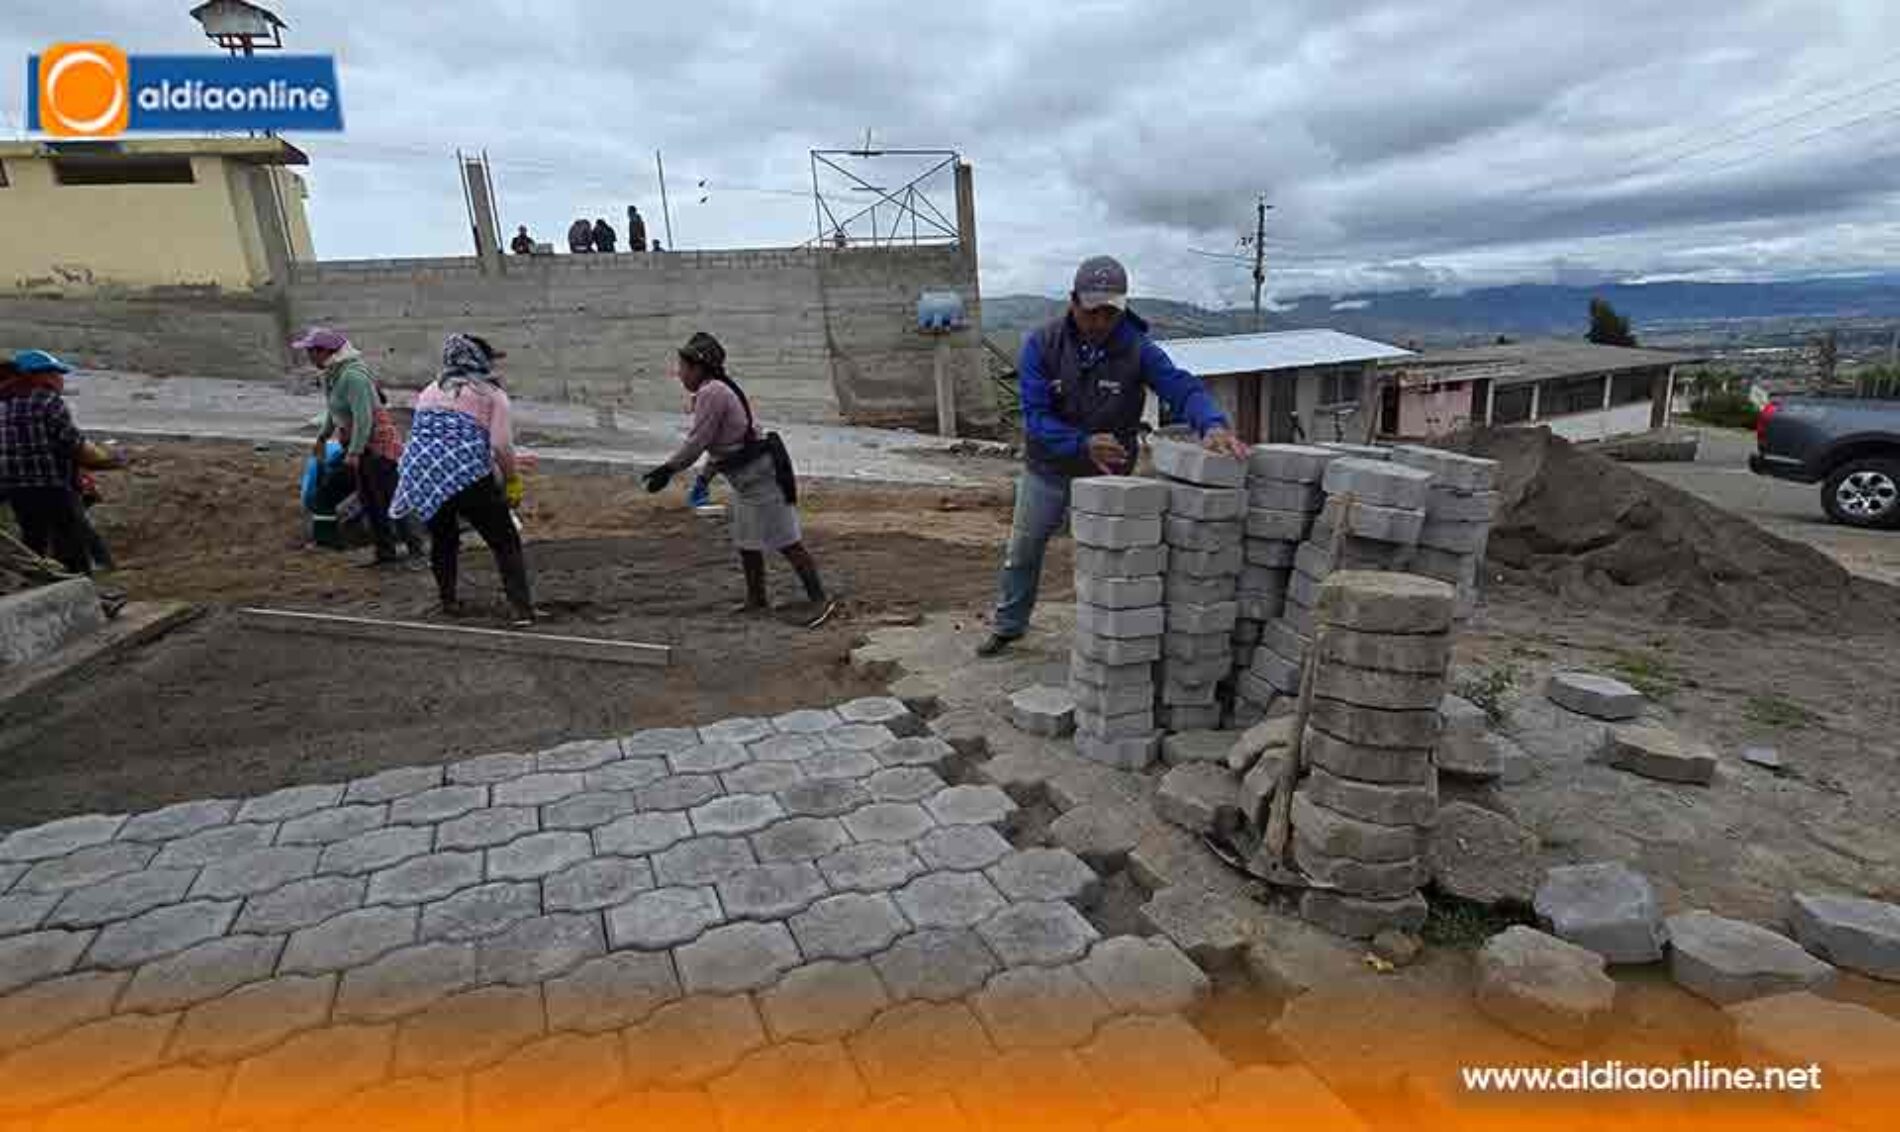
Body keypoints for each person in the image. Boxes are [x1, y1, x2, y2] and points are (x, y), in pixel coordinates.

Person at [976, 255, 1247, 657]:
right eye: (1093, 311)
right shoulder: (1042, 345)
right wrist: (1080, 442)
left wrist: (1212, 424)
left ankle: (1111, 637)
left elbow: (1181, 388)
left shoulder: (1137, 350)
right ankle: (1009, 625)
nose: (1101, 321)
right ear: (1073, 301)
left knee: (1113, 560)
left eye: (1110, 312)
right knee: (1023, 551)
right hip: (1047, 470)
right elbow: (1035, 418)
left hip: (1112, 476)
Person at [641, 332, 835, 627]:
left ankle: (820, 600)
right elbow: (717, 445)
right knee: (747, 540)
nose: (679, 374)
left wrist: (668, 469)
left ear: (698, 368)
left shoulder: (712, 393)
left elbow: (698, 441)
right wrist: (703, 479)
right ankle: (757, 600)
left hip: (762, 476)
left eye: (682, 368)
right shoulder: (713, 390)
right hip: (747, 478)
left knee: (786, 540)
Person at [391, 334, 536, 626]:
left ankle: (448, 601)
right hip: (467, 474)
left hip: (423, 473)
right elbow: (500, 446)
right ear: (481, 361)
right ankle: (521, 610)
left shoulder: (431, 390)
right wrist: (512, 482)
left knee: (444, 539)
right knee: (505, 540)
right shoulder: (491, 395)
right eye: (491, 358)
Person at [292, 327, 424, 565]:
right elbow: (335, 412)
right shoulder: (333, 375)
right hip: (358, 444)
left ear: (325, 352)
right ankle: (386, 553)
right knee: (372, 501)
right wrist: (322, 438)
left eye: (311, 352)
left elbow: (365, 418)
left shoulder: (353, 376)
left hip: (378, 447)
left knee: (389, 499)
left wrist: (354, 452)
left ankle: (415, 550)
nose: (308, 357)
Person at [0, 349, 122, 575]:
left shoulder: (4, 404)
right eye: (55, 374)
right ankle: (84, 582)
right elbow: (72, 443)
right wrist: (110, 459)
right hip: (51, 485)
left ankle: (35, 581)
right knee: (71, 539)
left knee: (33, 539)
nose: (60, 380)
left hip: (15, 488)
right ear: (38, 376)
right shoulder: (47, 400)